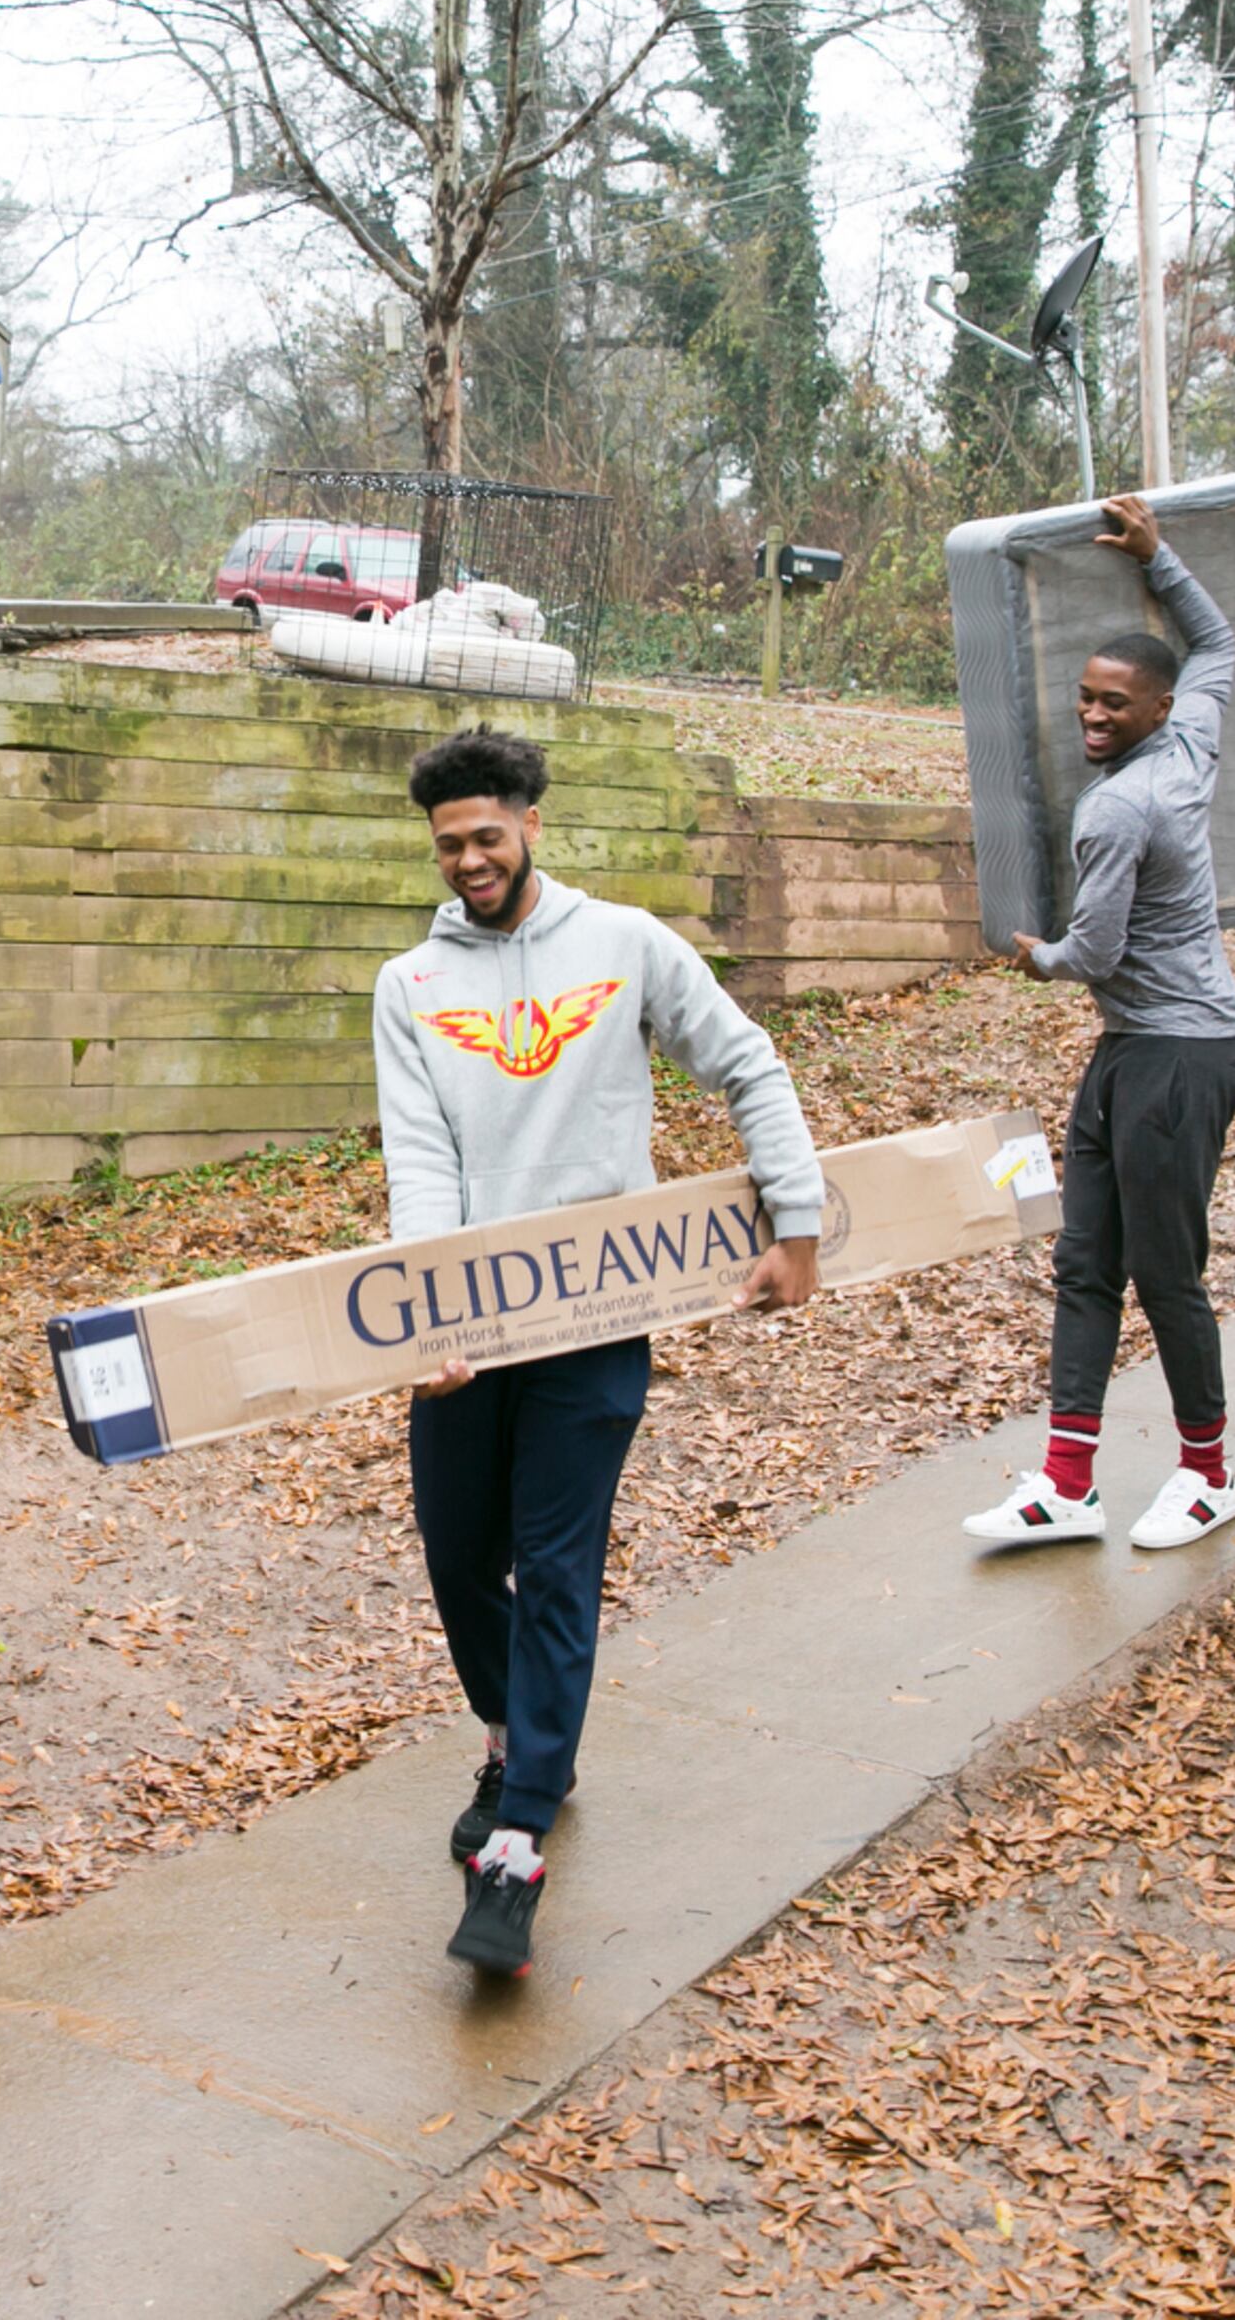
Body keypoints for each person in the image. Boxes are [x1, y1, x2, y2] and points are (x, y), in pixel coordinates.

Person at [373, 727, 825, 1978]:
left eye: (485, 835)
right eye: (448, 843)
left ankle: (515, 1847)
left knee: (557, 1564)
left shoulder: (625, 946)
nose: (468, 859)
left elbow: (746, 1062)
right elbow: (420, 1160)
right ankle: (517, 1737)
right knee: (462, 1554)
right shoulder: (409, 985)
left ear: (528, 822)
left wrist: (798, 1222)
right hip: (471, 1320)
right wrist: (429, 1310)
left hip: (592, 1320)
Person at [965, 492, 1235, 1555]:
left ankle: (1209, 1474)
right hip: (1135, 1049)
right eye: (1085, 698)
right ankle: (1067, 1484)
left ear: (1159, 710)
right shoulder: (1193, 739)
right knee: (1086, 1260)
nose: (1093, 716)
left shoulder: (1122, 807)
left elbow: (1088, 954)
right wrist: (1160, 559)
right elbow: (1217, 641)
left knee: (1165, 1273)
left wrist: (1029, 952)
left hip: (1181, 1057)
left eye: (1115, 706)